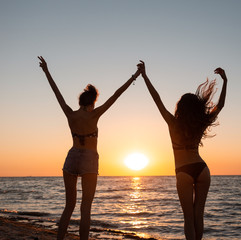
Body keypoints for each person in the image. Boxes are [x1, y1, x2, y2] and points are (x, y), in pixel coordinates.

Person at [38, 56, 140, 240]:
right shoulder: (94, 115)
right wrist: (135, 76)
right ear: (92, 102)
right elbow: (116, 95)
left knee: (69, 206)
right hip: (89, 159)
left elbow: (56, 92)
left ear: (80, 102)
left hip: (72, 157)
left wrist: (46, 70)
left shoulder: (70, 114)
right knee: (86, 208)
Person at [137, 61, 227, 240]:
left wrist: (145, 76)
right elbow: (221, 105)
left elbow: (157, 100)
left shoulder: (173, 123)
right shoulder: (200, 124)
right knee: (198, 216)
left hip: (183, 171)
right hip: (202, 169)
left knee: (188, 218)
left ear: (181, 107)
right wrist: (225, 81)